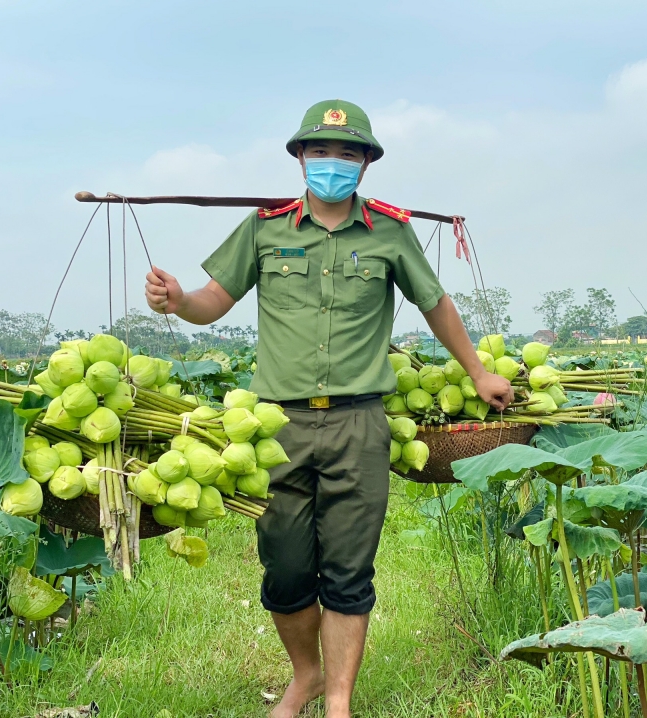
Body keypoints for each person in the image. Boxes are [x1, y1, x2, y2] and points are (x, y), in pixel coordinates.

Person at [145, 99, 513, 718]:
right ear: (300, 159)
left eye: (348, 154)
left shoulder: (390, 233)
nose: (333, 164)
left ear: (366, 166)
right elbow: (212, 300)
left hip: (357, 422)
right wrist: (177, 299)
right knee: (286, 568)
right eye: (321, 151)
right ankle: (306, 676)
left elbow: (435, 304)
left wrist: (478, 371)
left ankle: (339, 700)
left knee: (348, 570)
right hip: (276, 426)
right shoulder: (265, 229)